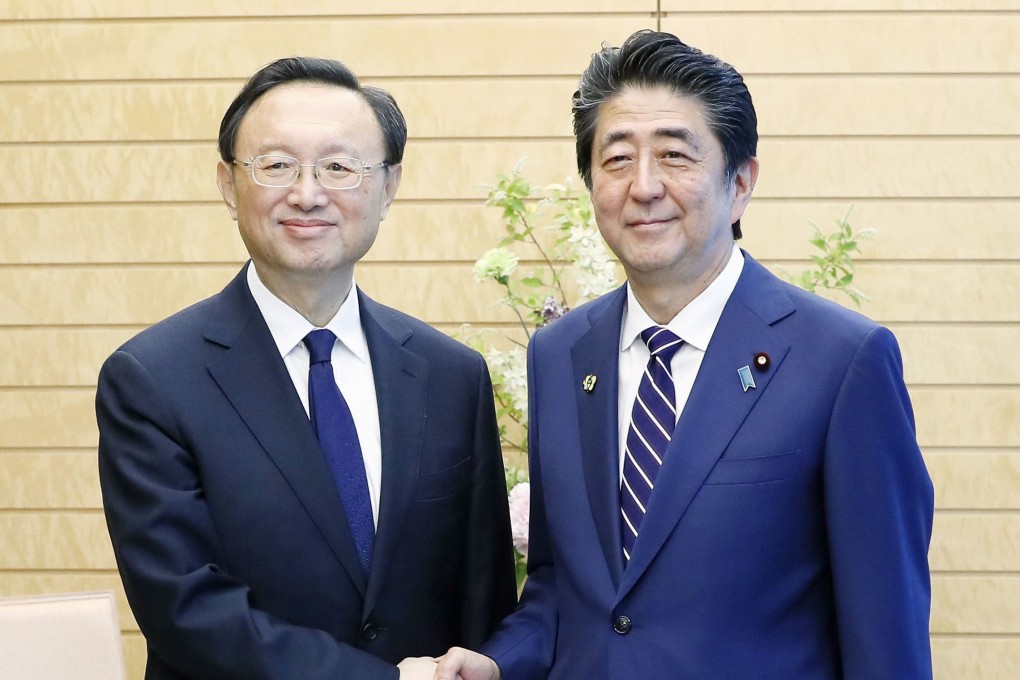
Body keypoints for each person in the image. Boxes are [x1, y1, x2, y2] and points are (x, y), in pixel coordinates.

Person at [437, 30, 934, 680]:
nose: (643, 186)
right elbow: (564, 594)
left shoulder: (842, 362)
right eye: (616, 159)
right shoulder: (560, 355)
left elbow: (885, 638)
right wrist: (499, 665)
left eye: (675, 155)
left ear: (741, 183)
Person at [96, 56, 516, 680]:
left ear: (389, 186)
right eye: (276, 165)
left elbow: (483, 597)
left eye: (339, 166)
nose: (308, 193)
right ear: (227, 183)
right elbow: (186, 609)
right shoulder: (151, 380)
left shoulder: (451, 375)